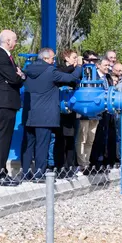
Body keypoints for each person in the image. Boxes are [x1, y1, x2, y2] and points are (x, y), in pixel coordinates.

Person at [21, 48, 82, 181]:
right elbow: (72, 77)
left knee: (28, 144)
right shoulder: (51, 71)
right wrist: (79, 67)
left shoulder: (28, 69)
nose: (54, 61)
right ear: (45, 59)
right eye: (52, 58)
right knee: (42, 145)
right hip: (45, 115)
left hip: (29, 114)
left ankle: (25, 173)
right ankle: (39, 174)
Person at [0, 29, 25, 186]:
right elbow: (13, 78)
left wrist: (20, 75)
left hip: (8, 103)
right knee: (3, 139)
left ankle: (2, 171)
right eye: (15, 40)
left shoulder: (7, 57)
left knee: (6, 139)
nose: (16, 43)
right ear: (7, 41)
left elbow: (16, 78)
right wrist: (19, 75)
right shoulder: (0, 57)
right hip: (3, 102)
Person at [76, 54, 106, 173]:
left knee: (90, 140)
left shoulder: (100, 78)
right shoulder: (81, 73)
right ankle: (81, 163)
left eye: (94, 61)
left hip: (96, 114)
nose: (92, 63)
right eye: (89, 60)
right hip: (83, 114)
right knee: (82, 139)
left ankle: (87, 162)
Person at [54, 49, 81, 177]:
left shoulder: (77, 71)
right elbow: (64, 75)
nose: (76, 59)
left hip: (72, 110)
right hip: (60, 111)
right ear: (66, 58)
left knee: (71, 140)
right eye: (74, 57)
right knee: (61, 140)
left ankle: (70, 167)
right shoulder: (59, 69)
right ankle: (60, 167)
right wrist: (75, 67)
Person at [89, 58, 116, 171]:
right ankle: (95, 162)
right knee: (95, 137)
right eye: (105, 65)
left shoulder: (108, 78)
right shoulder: (93, 77)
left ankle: (103, 161)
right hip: (97, 111)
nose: (107, 67)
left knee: (105, 137)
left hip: (107, 112)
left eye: (108, 65)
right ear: (98, 66)